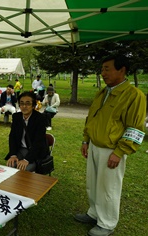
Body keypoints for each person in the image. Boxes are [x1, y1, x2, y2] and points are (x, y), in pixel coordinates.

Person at [76, 54, 146, 236]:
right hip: (94, 146)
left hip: (112, 150)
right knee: (93, 184)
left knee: (109, 188)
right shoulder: (103, 92)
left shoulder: (134, 96)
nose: (102, 73)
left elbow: (135, 129)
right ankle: (94, 213)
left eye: (107, 69)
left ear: (121, 70)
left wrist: (120, 151)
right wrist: (86, 140)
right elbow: (91, 118)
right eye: (102, 69)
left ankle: (107, 223)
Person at [5, 92, 48, 172]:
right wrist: (13, 155)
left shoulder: (40, 119)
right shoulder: (16, 117)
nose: (24, 106)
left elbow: (38, 142)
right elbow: (12, 137)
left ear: (33, 106)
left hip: (35, 153)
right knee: (9, 167)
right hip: (21, 150)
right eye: (22, 103)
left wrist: (27, 160)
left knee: (23, 171)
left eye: (28, 104)